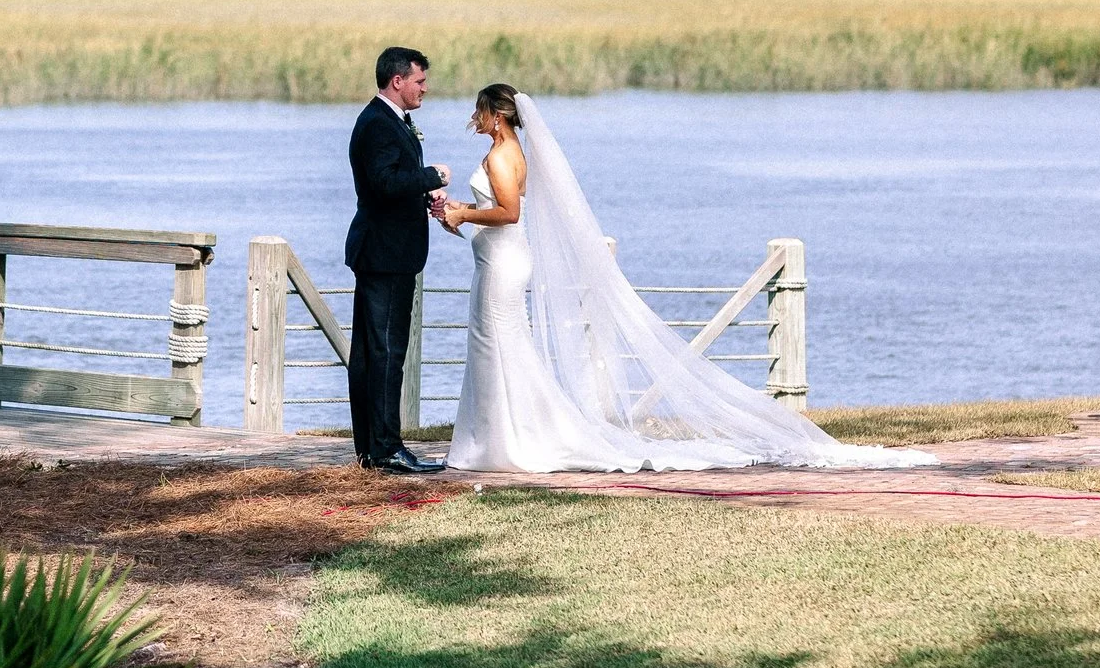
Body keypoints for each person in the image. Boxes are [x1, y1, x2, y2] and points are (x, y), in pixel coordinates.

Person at [436, 85, 932, 473]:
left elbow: (509, 212)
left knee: (500, 345)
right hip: (497, 261)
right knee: (497, 348)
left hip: (502, 263)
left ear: (496, 114)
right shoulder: (513, 150)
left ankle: (508, 440)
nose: (474, 119)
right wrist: (458, 210)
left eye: (480, 111)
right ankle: (496, 437)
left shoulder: (502, 156)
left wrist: (462, 217)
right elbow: (495, 209)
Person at [343, 45, 450, 474]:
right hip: (385, 255)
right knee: (385, 352)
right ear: (397, 81)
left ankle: (372, 449)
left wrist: (424, 195)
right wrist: (432, 176)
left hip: (384, 251)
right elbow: (384, 184)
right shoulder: (378, 125)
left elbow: (387, 186)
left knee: (373, 353)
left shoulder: (389, 121)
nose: (425, 88)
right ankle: (385, 448)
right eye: (420, 81)